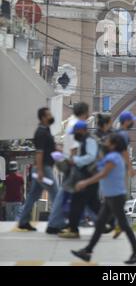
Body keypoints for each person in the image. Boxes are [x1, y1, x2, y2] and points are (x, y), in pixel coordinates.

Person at [71, 133, 136, 265]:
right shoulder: (111, 157)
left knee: (124, 225)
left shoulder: (113, 158)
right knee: (99, 224)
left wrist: (85, 183)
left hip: (116, 197)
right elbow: (99, 169)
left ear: (113, 145)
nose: (105, 143)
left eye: (107, 141)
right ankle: (87, 251)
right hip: (111, 197)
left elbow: (102, 174)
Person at [46, 102, 89, 234]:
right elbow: (74, 148)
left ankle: (58, 222)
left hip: (69, 162)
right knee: (65, 192)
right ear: (83, 112)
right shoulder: (76, 125)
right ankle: (55, 223)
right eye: (87, 112)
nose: (88, 115)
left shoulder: (71, 122)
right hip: (72, 164)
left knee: (65, 192)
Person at [59, 120, 100, 239]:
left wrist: (76, 160)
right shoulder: (84, 141)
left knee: (78, 204)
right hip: (86, 178)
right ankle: (112, 222)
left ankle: (73, 229)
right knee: (93, 205)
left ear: (81, 130)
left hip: (87, 178)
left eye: (75, 132)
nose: (74, 134)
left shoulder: (89, 140)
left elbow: (91, 157)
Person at [18, 108, 58, 231]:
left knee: (33, 196)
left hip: (42, 168)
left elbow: (48, 148)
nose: (51, 116)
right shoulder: (41, 132)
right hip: (43, 169)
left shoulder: (46, 130)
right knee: (56, 194)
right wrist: (40, 171)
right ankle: (54, 224)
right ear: (43, 118)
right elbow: (39, 153)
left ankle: (23, 221)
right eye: (48, 115)